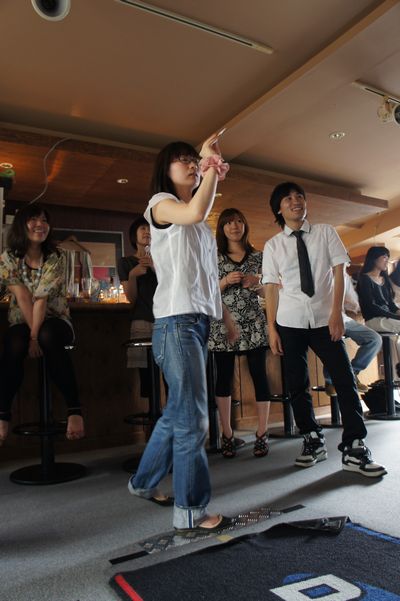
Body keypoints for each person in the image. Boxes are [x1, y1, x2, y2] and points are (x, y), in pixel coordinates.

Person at [127, 134, 238, 534]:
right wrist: (211, 168)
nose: (192, 164)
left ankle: (143, 482)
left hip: (195, 322)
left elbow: (205, 277)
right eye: (183, 160)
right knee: (193, 418)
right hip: (176, 324)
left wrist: (225, 316)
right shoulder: (160, 205)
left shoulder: (201, 226)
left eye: (195, 160)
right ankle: (191, 510)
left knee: (178, 412)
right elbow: (193, 210)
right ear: (165, 170)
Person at [263, 182, 386, 477]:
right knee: (297, 385)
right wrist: (272, 328)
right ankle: (312, 439)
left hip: (324, 319)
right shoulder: (273, 245)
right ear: (278, 209)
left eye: (299, 196)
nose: (296, 201)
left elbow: (339, 272)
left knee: (344, 379)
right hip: (290, 321)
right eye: (288, 198)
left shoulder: (325, 232)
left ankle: (354, 447)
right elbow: (270, 287)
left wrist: (336, 314)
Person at [0, 203, 84, 445]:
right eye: (34, 219)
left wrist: (35, 337)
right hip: (22, 320)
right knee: (14, 341)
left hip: (56, 321)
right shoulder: (8, 258)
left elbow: (40, 299)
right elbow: (23, 296)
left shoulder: (56, 256)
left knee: (48, 335)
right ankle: (3, 413)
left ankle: (74, 410)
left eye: (45, 220)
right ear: (21, 225)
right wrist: (31, 336)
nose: (41, 224)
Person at [208, 208, 270, 458]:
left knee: (259, 375)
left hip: (254, 323)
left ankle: (262, 433)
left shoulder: (259, 256)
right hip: (223, 325)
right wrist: (224, 282)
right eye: (228, 223)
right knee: (223, 378)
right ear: (221, 229)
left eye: (238, 222)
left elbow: (272, 292)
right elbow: (204, 293)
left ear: (245, 225)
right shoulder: (213, 257)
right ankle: (227, 434)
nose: (234, 226)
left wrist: (257, 283)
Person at [323, 269, 382, 396]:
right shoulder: (318, 273)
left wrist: (362, 304)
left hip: (343, 319)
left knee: (374, 339)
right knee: (333, 337)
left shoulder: (344, 276)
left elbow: (352, 303)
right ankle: (330, 380)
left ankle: (352, 372)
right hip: (322, 320)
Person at [117, 217, 157, 399]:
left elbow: (173, 288)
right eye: (143, 228)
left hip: (164, 319)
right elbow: (131, 299)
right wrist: (133, 275)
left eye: (150, 228)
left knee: (170, 377)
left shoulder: (163, 261)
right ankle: (152, 415)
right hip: (141, 319)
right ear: (134, 235)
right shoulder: (126, 263)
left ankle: (168, 415)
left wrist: (155, 268)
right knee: (147, 379)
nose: (147, 231)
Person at [357, 246, 400, 369]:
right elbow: (372, 306)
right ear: (374, 259)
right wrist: (395, 317)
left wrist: (398, 312)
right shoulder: (364, 279)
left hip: (387, 319)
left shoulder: (384, 280)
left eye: (388, 258)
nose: (387, 261)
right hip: (374, 320)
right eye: (384, 257)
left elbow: (391, 304)